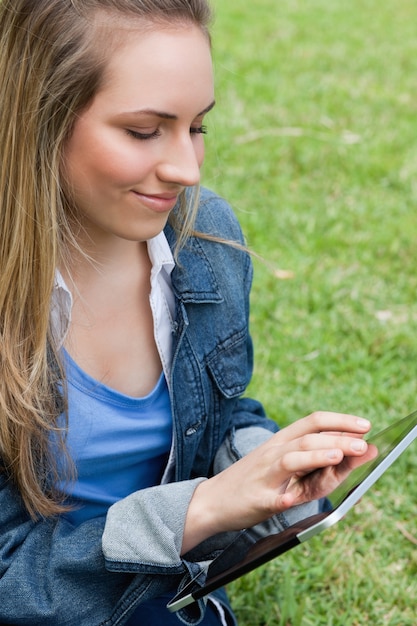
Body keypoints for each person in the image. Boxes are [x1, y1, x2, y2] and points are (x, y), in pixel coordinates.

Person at [0, 1, 377, 624]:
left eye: (197, 127)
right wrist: (198, 512)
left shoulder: (205, 242)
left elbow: (215, 417)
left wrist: (267, 462)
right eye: (145, 131)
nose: (186, 168)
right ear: (39, 116)